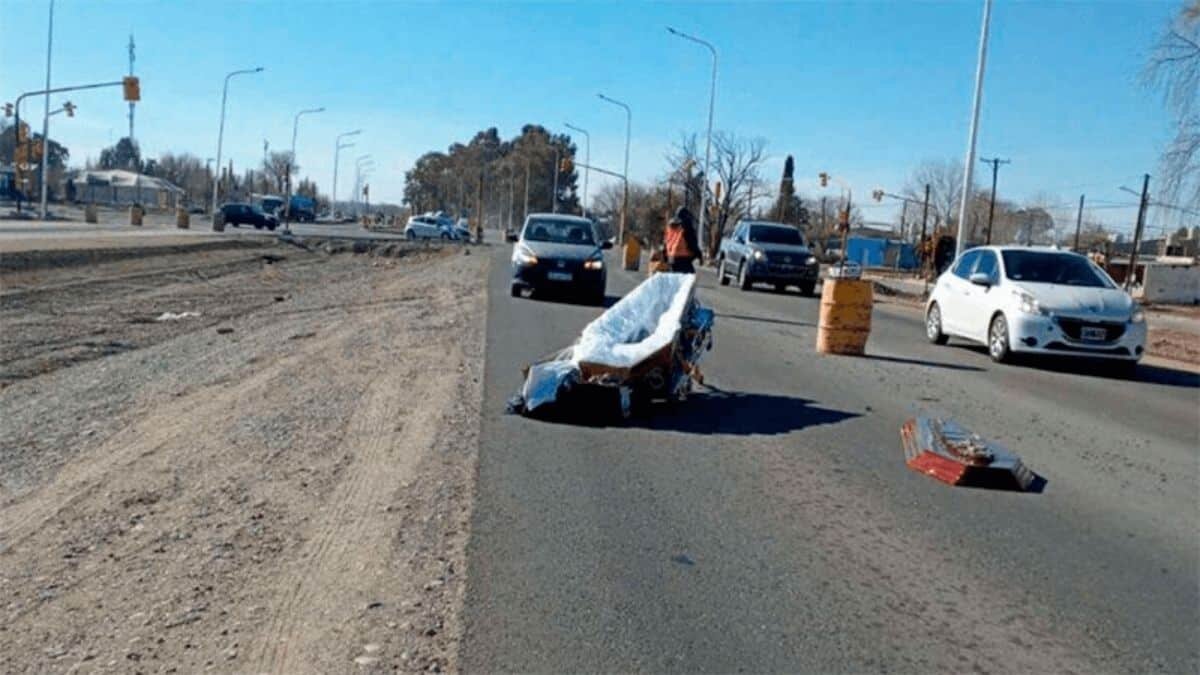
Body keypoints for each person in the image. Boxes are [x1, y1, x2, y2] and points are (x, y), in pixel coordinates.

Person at [664, 206, 701, 273]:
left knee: (674, 275)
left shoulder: (670, 226)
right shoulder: (686, 225)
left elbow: (666, 242)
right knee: (690, 277)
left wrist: (665, 257)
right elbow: (692, 242)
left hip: (670, 257)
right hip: (683, 257)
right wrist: (699, 254)